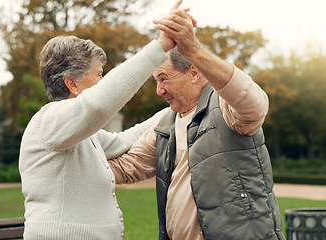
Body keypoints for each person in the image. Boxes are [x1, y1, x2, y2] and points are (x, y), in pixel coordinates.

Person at [18, 3, 198, 238]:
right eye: (99, 75)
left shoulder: (80, 134)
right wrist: (161, 46)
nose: (102, 82)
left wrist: (178, 105)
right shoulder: (48, 121)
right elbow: (100, 103)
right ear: (72, 84)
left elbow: (125, 140)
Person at [108, 4, 285, 240]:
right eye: (156, 81)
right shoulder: (165, 125)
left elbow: (254, 103)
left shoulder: (225, 107)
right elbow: (124, 168)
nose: (159, 90)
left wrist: (193, 48)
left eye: (163, 78)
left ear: (193, 73)